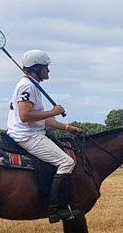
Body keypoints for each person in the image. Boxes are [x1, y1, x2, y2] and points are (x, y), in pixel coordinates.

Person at [6, 49, 84, 222]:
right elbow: (25, 116)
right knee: (66, 162)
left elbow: (45, 121)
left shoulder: (34, 86)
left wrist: (67, 127)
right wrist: (52, 111)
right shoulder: (27, 86)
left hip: (33, 132)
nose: (48, 71)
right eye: (46, 68)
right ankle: (55, 210)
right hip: (27, 135)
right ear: (36, 68)